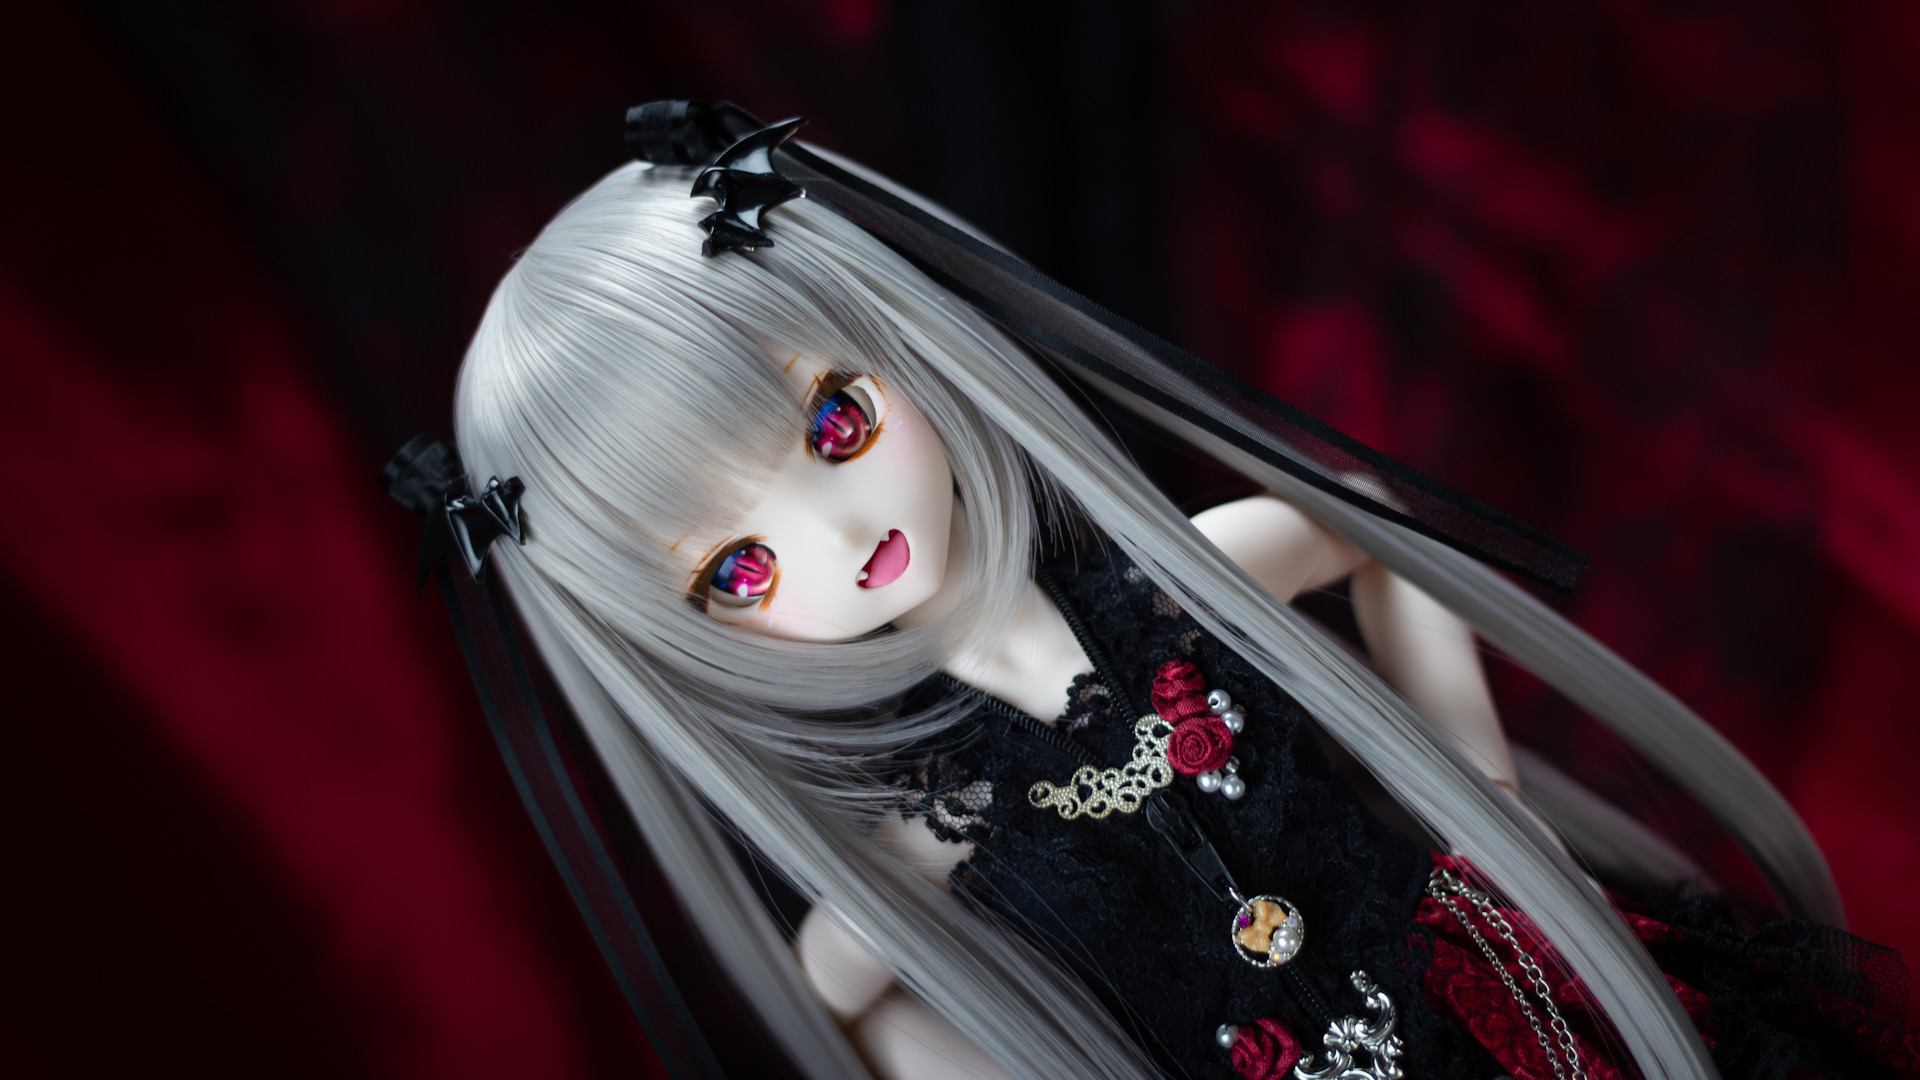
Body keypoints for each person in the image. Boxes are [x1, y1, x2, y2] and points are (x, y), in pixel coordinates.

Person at [441, 112, 1913, 1080]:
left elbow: (1373, 531)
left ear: (894, 339)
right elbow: (850, 987)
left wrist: (1486, 805)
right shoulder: (934, 833)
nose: (841, 538)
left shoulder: (1178, 591)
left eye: (838, 423)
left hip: (1514, 1005)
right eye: (739, 571)